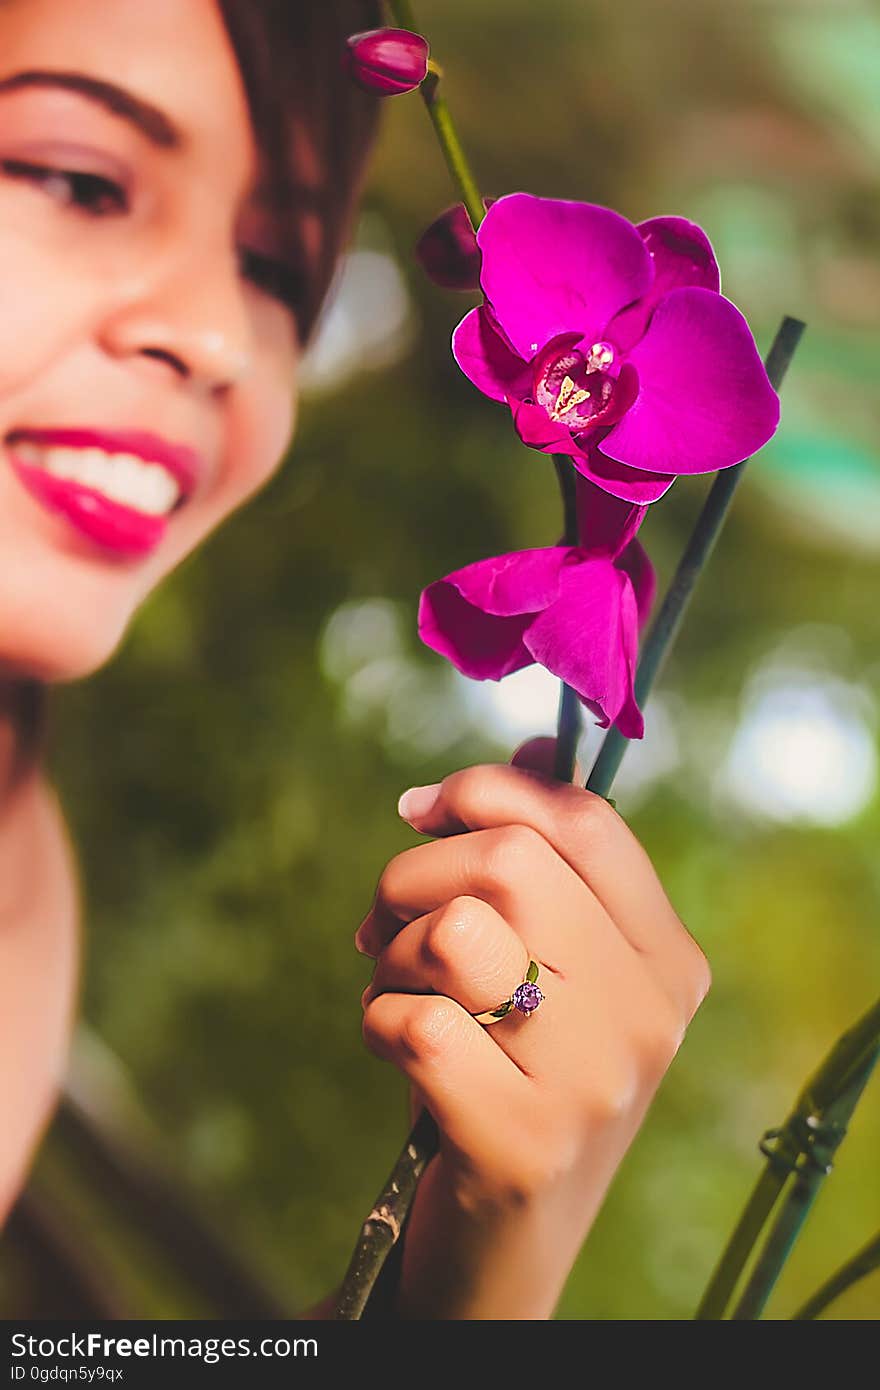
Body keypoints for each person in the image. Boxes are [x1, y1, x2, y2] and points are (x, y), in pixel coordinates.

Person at [0, 0, 711, 1319]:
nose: (221, 339)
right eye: (76, 178)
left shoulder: (24, 873)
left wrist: (481, 1282)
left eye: (277, 268)